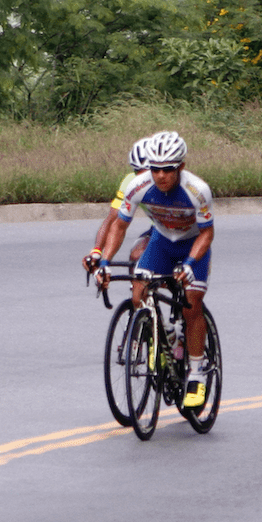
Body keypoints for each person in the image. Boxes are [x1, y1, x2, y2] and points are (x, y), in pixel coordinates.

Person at [93, 131, 215, 408]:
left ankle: (196, 374)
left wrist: (189, 264)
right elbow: (119, 226)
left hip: (192, 244)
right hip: (161, 241)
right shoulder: (138, 185)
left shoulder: (197, 190)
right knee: (138, 295)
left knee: (191, 304)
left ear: (180, 167)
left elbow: (207, 234)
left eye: (168, 169)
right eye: (156, 169)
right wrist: (104, 260)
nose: (161, 176)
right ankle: (165, 337)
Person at [83, 136, 154, 272]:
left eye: (147, 173)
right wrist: (97, 252)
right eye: (136, 171)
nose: (140, 178)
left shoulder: (172, 183)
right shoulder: (130, 182)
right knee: (136, 256)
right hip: (159, 228)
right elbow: (113, 219)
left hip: (185, 229)